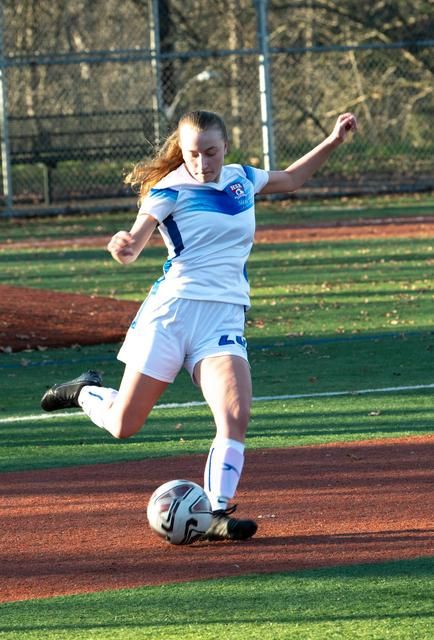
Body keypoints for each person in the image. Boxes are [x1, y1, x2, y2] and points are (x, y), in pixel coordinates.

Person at [41, 109, 357, 542]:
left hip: (222, 318)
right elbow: (136, 240)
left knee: (235, 414)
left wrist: (334, 140)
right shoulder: (168, 190)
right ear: (183, 151)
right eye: (193, 154)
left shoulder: (242, 178)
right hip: (170, 317)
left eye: (211, 152)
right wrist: (125, 247)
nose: (202, 162)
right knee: (123, 425)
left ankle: (216, 513)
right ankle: (83, 390)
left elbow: (291, 178)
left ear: (225, 147)